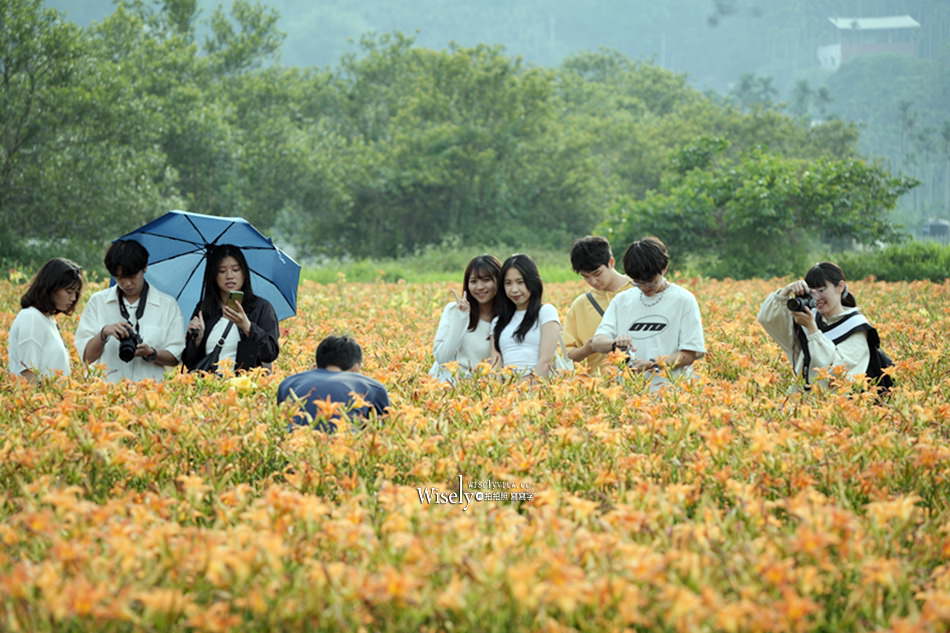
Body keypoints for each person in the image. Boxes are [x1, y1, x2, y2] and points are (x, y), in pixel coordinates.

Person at [591, 237, 705, 389]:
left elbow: (689, 354)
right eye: (637, 282)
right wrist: (614, 344)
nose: (644, 287)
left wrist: (653, 365)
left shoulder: (683, 300)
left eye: (650, 281)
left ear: (664, 268)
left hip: (672, 392)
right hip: (629, 393)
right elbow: (598, 342)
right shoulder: (622, 300)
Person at [757, 261, 888, 390]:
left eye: (821, 290)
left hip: (837, 406)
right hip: (802, 401)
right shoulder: (809, 317)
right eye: (811, 292)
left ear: (840, 286)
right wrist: (786, 291)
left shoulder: (856, 327)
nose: (816, 297)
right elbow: (768, 319)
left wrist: (813, 330)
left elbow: (836, 373)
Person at [75, 240, 185, 382]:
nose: (126, 283)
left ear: (144, 267)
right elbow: (86, 357)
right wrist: (103, 333)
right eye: (119, 277)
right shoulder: (98, 302)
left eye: (132, 276)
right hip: (106, 395)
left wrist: (151, 353)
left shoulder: (167, 305)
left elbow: (175, 357)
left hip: (149, 396)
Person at [181, 244, 279, 373]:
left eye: (236, 269)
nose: (229, 276)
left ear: (244, 273)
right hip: (208, 387)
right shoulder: (204, 308)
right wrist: (196, 340)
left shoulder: (260, 308)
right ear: (214, 276)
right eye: (222, 271)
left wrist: (248, 327)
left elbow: (270, 353)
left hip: (244, 388)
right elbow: (189, 362)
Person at [278, 335, 390, 433]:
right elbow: (380, 431)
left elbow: (281, 422)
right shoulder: (373, 387)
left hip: (296, 447)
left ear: (318, 361)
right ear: (356, 365)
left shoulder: (289, 383)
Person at [563, 236, 633, 371]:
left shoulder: (640, 291)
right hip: (599, 385)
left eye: (597, 273)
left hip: (641, 382)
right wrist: (588, 348)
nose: (593, 281)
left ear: (611, 262)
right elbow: (567, 354)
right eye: (586, 276)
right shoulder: (581, 305)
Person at [7, 258, 83, 381]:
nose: (74, 298)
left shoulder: (48, 320)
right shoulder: (31, 318)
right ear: (50, 288)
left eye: (76, 293)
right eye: (69, 292)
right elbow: (28, 373)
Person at [429, 254, 501, 382]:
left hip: (476, 389)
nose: (479, 287)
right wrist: (462, 317)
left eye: (486, 280)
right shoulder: (453, 310)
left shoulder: (504, 320)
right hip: (444, 385)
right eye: (473, 281)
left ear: (499, 281)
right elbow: (442, 358)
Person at [490, 254, 561, 378]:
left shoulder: (546, 312)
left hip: (538, 389)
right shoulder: (497, 322)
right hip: (507, 393)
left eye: (520, 282)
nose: (514, 290)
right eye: (508, 283)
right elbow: (496, 365)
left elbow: (546, 361)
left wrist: (526, 389)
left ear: (532, 282)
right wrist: (501, 392)